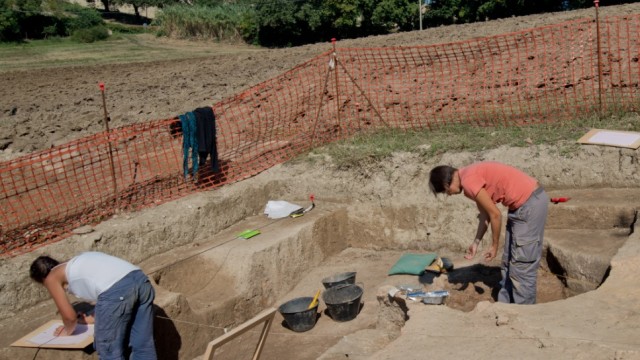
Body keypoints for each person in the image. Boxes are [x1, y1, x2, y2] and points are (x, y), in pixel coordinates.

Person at [428, 161, 548, 304]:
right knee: (508, 261)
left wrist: (494, 245)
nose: (450, 194)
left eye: (446, 192)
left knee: (522, 265)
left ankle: (524, 314)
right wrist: (476, 242)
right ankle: (506, 307)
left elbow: (495, 215)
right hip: (520, 206)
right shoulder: (467, 175)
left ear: (447, 185)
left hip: (529, 203)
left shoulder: (469, 181)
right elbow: (485, 215)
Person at [29, 251, 157, 359]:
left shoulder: (51, 277)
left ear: (42, 279)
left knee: (109, 350)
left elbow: (69, 317)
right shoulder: (78, 262)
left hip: (118, 292)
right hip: (141, 281)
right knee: (142, 344)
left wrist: (66, 331)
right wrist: (86, 320)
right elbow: (112, 301)